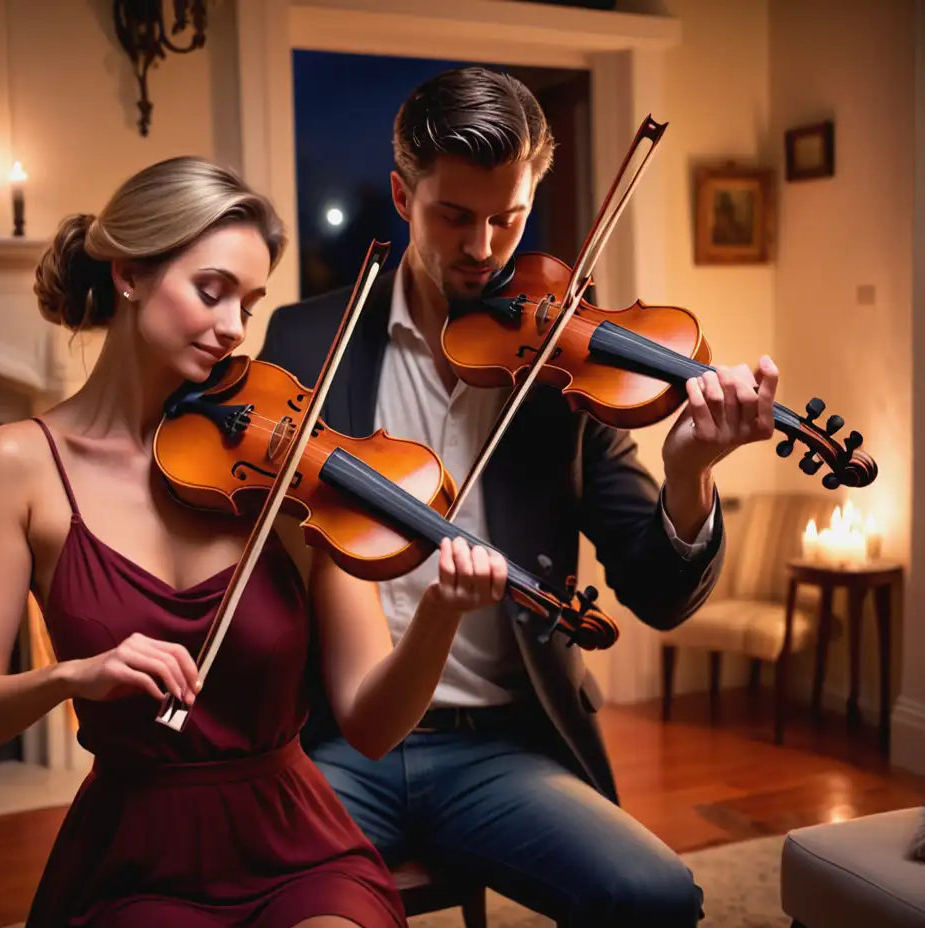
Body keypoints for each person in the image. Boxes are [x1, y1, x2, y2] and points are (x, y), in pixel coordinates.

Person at [257, 67, 780, 927]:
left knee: (654, 897)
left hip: (504, 745)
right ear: (401, 194)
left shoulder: (562, 367)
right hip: (342, 744)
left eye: (510, 218)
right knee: (257, 901)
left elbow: (657, 592)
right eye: (454, 216)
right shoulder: (313, 338)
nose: (485, 247)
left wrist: (690, 474)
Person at [0, 154, 512, 928]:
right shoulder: (15, 464)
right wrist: (73, 676)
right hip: (137, 852)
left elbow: (370, 727)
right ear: (130, 274)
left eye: (249, 301)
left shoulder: (286, 467)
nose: (236, 329)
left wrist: (440, 614)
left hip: (298, 844)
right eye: (211, 292)